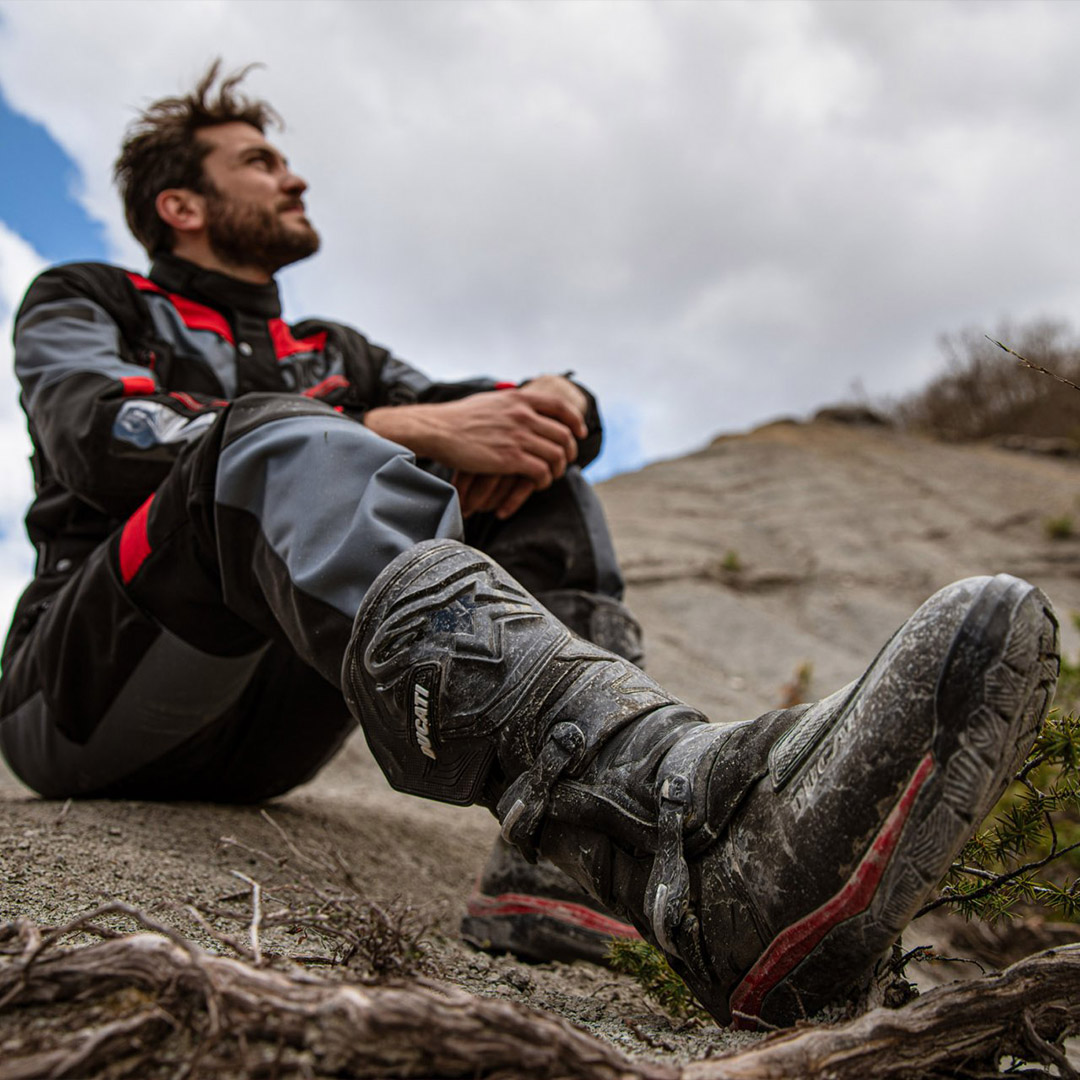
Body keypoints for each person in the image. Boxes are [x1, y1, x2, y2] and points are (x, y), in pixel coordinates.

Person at [0, 65, 1061, 1028]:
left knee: (528, 473)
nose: (295, 179)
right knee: (272, 437)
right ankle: (680, 825)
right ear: (180, 206)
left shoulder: (332, 351)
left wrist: (559, 404)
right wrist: (397, 430)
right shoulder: (86, 300)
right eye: (261, 162)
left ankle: (580, 862)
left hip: (269, 728)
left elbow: (490, 416)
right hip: (88, 694)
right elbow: (105, 439)